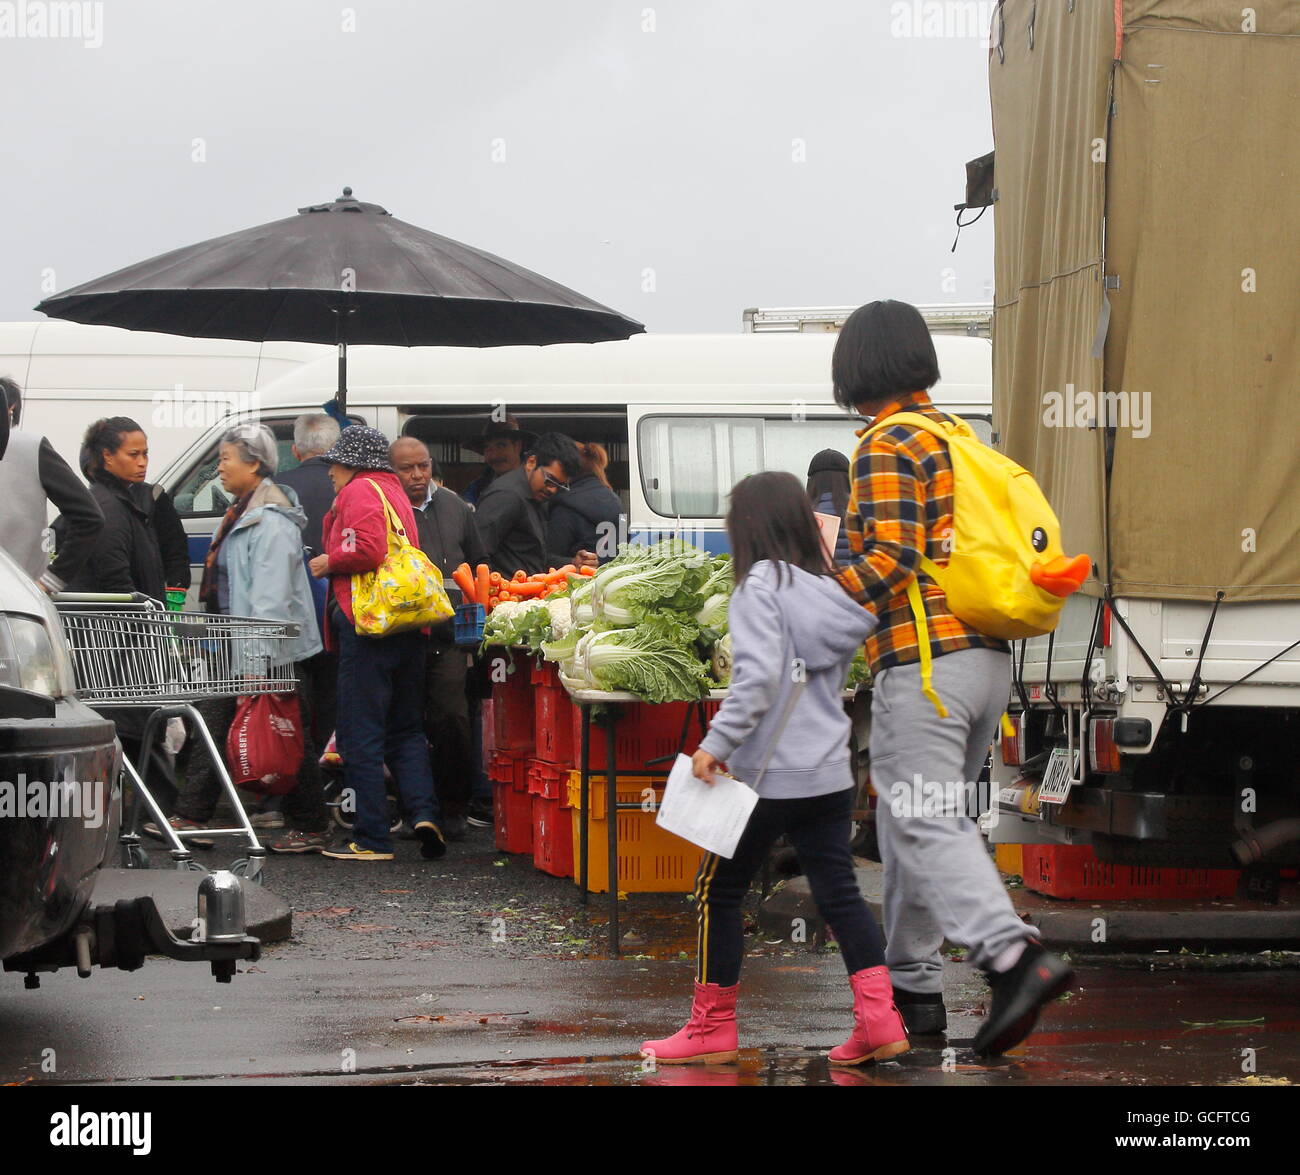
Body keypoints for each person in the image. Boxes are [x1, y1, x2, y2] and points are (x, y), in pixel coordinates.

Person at [831, 299, 1073, 1055]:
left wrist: (810, 599)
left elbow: (892, 557)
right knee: (919, 824)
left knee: (923, 817)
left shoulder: (884, 442)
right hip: (986, 664)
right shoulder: (957, 436)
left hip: (927, 666)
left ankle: (1013, 954)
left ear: (855, 366)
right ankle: (915, 990)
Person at [641, 472, 907, 1067]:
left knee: (719, 889)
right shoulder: (830, 591)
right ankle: (880, 1020)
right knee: (840, 895)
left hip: (770, 777)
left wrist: (716, 742)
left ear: (749, 526)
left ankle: (711, 1028)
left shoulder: (758, 587)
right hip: (829, 772)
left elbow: (758, 679)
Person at [164, 425, 330, 853]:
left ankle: (311, 823)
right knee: (213, 718)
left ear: (253, 463)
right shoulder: (243, 508)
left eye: (226, 459)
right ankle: (193, 815)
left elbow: (271, 598)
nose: (219, 468)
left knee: (287, 730)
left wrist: (256, 662)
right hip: (232, 641)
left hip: (264, 644)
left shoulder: (270, 519)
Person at [311, 425, 446, 862]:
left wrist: (330, 561)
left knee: (358, 733)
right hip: (407, 627)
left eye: (334, 463)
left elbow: (367, 550)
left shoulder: (359, 490)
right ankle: (424, 815)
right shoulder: (395, 493)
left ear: (351, 463)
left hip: (370, 627)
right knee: (405, 730)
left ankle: (370, 838)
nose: (330, 471)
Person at [65, 417, 178, 810]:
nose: (143, 461)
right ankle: (154, 811)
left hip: (128, 640)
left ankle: (152, 810)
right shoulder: (109, 507)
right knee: (132, 727)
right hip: (118, 643)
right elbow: (114, 579)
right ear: (106, 456)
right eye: (133, 454)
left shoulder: (127, 501)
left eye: (146, 453)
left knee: (137, 729)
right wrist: (143, 625)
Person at [391, 436, 488, 842]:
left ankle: (453, 809)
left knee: (452, 718)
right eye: (407, 468)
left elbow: (479, 561)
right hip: (404, 635)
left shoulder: (454, 506)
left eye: (423, 466)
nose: (417, 475)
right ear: (391, 471)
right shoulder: (388, 510)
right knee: (405, 723)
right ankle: (414, 808)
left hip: (449, 634)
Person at [276, 412, 342, 752]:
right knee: (332, 698)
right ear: (335, 448)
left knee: (291, 699)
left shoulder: (276, 489)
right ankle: (328, 771)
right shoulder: (347, 487)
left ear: (296, 450)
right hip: (337, 612)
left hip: (288, 618)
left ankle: (290, 775)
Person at [0, 376, 103, 593]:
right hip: (19, 603)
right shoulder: (31, 447)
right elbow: (89, 517)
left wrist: (51, 581)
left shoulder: (27, 448)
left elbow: (89, 518)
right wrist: (50, 582)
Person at [474, 432, 580, 577]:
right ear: (531, 463)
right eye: (549, 480)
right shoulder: (506, 495)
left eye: (559, 486)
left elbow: (535, 559)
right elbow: (477, 554)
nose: (552, 489)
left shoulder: (537, 497)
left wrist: (574, 563)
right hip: (504, 595)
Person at [545, 441, 619, 567]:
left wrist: (572, 562)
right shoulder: (616, 501)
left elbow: (549, 559)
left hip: (579, 582)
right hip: (611, 579)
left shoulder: (565, 507)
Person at [461, 414, 535, 506]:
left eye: (501, 446)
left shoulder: (536, 484)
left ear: (517, 446)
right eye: (488, 448)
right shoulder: (477, 488)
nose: (494, 456)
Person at [806, 448, 852, 567]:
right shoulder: (863, 513)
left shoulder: (804, 516)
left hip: (818, 583)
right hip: (857, 581)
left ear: (812, 482)